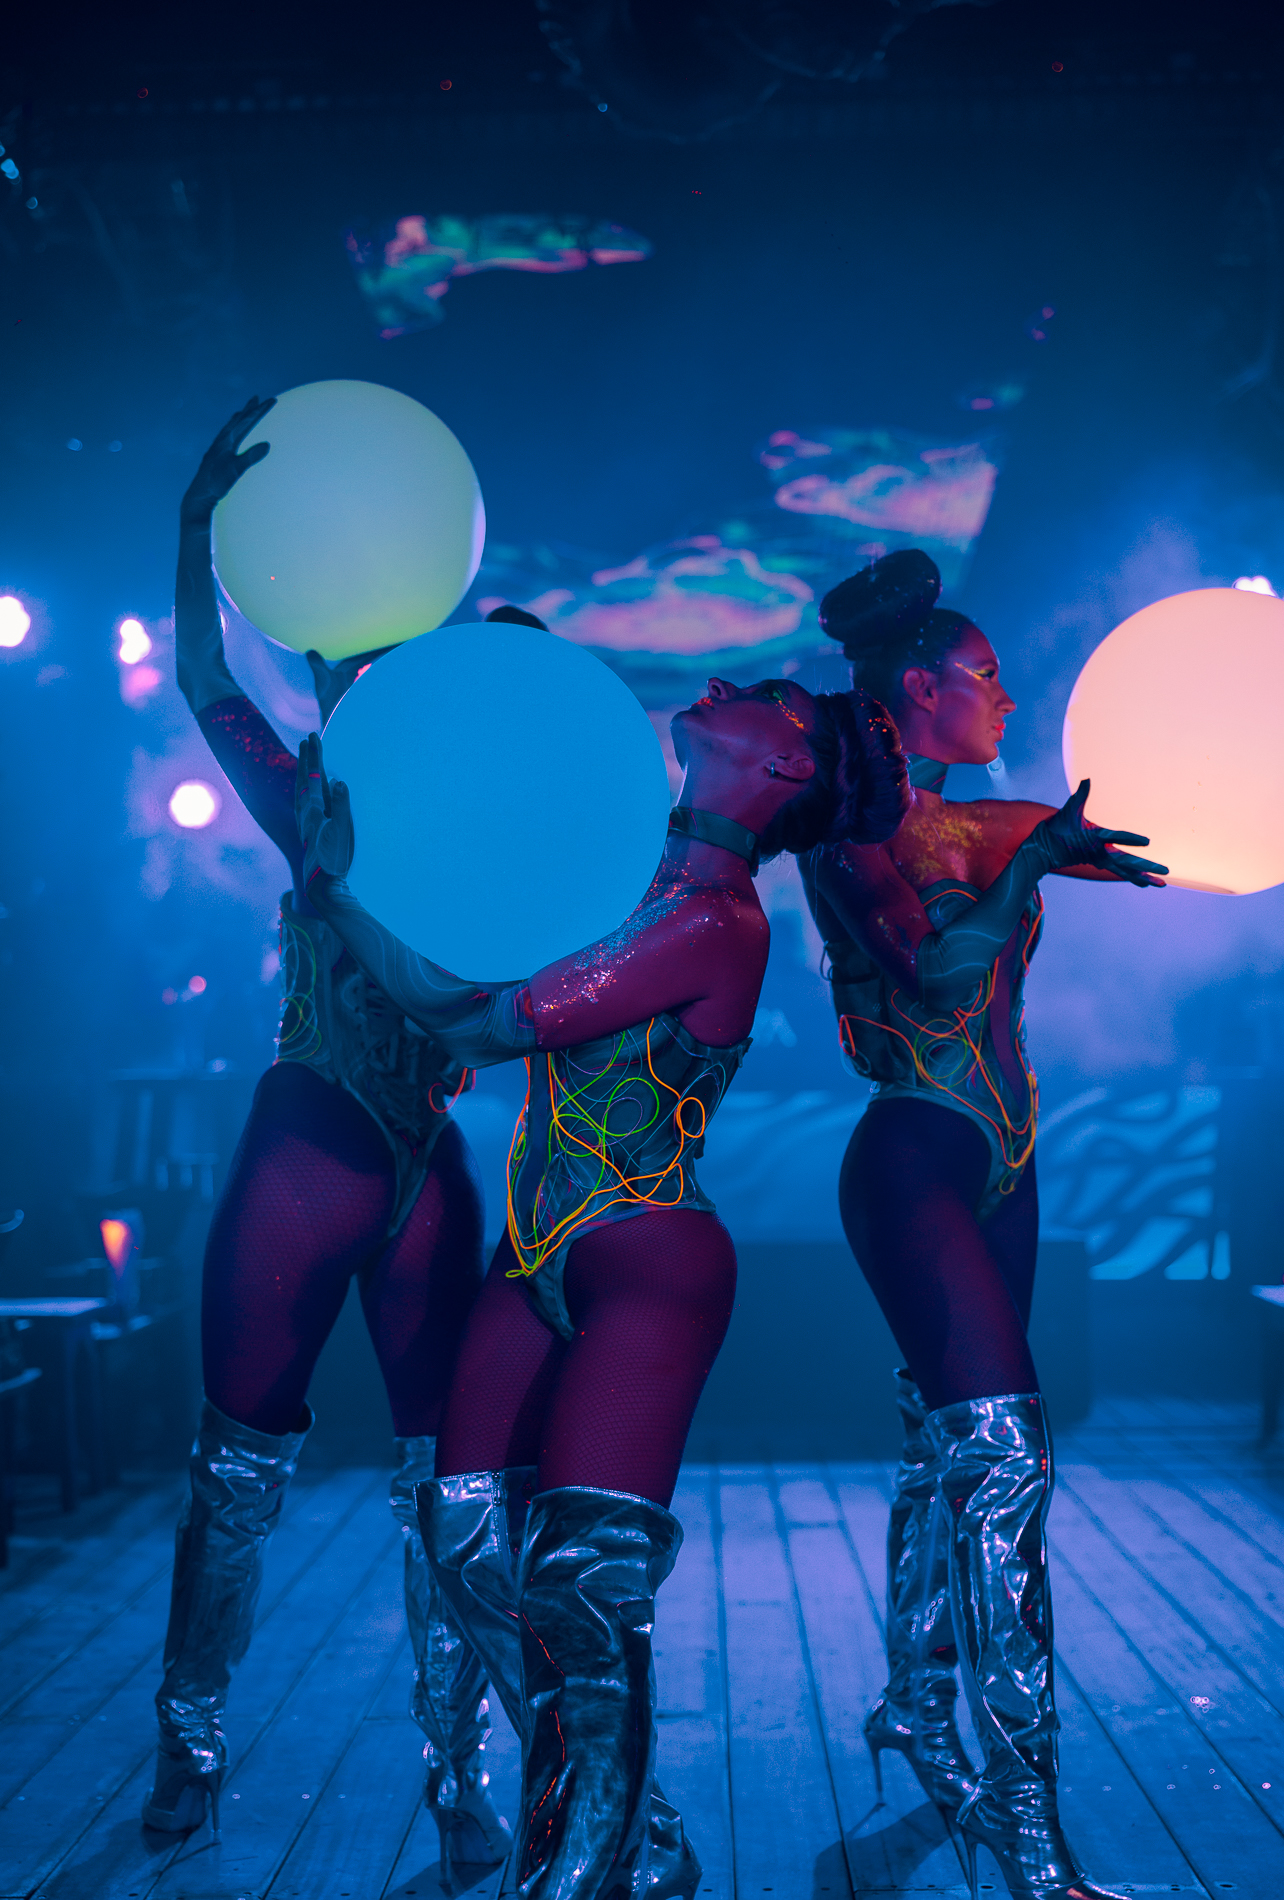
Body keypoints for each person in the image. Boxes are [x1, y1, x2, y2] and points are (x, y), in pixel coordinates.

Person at [296, 670, 909, 1899]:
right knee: (465, 1537)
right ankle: (643, 1830)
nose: (722, 680)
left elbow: (489, 1020)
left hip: (647, 1261)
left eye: (765, 692)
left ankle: (577, 1879)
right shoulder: (618, 872)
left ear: (785, 766)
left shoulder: (717, 920)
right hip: (534, 1259)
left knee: (583, 1586)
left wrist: (339, 885)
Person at [146, 400, 510, 1870]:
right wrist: (196, 532)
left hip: (423, 1156)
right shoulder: (303, 796)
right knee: (237, 1464)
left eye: (374, 671)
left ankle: (462, 1774)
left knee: (455, 1484)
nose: (347, 687)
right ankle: (187, 1743)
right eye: (334, 672)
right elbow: (201, 676)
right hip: (310, 1145)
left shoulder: (478, 824)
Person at [800, 549, 1169, 1900]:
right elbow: (940, 976)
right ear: (920, 690)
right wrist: (1034, 871)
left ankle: (913, 1700)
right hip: (915, 1156)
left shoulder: (992, 823)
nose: (1008, 699)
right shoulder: (850, 844)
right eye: (988, 678)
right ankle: (1029, 1835)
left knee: (940, 1448)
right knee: (1008, 1467)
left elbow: (1151, 836)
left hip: (1005, 1157)